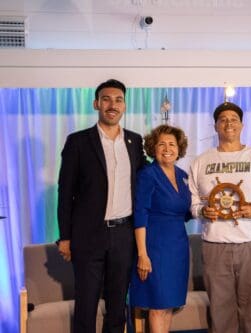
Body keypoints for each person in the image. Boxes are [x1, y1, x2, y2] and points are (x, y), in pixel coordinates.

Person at [188, 101, 251, 333]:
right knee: (220, 313)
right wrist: (202, 211)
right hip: (215, 246)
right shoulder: (201, 162)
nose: (228, 123)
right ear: (215, 126)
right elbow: (192, 202)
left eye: (233, 119)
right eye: (223, 119)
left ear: (242, 125)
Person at [57, 79, 146, 333]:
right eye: (106, 99)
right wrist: (65, 237)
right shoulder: (78, 142)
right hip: (88, 236)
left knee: (118, 306)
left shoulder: (134, 142)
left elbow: (145, 180)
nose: (112, 105)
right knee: (86, 304)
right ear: (96, 103)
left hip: (124, 235)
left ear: (124, 106)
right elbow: (65, 193)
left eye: (118, 100)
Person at [129, 124, 192, 333]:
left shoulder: (183, 175)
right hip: (154, 248)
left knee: (169, 306)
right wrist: (142, 254)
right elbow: (140, 214)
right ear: (153, 148)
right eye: (161, 144)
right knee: (157, 306)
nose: (167, 148)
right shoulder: (148, 174)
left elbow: (187, 212)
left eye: (172, 144)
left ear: (179, 148)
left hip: (178, 248)